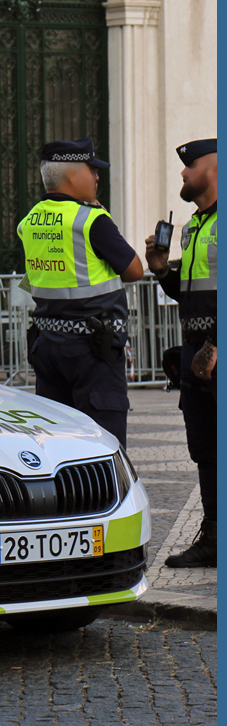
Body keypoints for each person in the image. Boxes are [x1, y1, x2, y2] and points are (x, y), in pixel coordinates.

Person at [19, 138, 144, 448]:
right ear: (73, 176)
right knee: (104, 443)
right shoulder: (91, 220)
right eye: (92, 170)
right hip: (92, 349)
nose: (97, 177)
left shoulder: (29, 221)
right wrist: (104, 217)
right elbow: (134, 271)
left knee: (61, 442)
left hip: (47, 346)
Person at [145, 138, 216, 568]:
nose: (184, 175)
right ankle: (214, 538)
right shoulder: (194, 226)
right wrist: (160, 269)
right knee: (206, 453)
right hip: (196, 357)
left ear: (213, 166)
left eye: (189, 167)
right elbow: (190, 295)